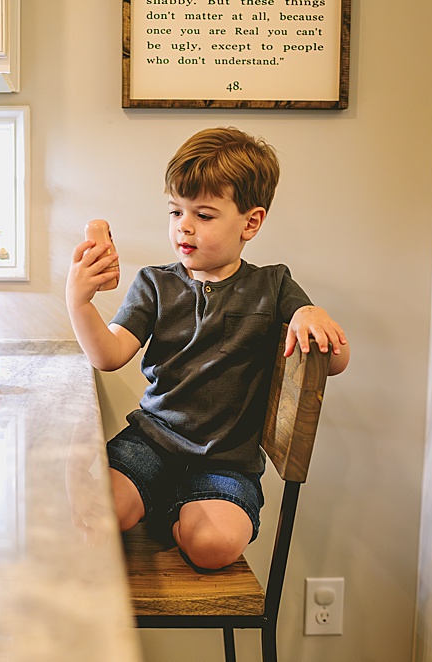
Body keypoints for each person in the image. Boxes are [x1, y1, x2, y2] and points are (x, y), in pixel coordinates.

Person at [65, 127, 350, 570]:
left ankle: (178, 510)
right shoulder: (155, 284)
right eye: (176, 211)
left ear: (250, 222)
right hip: (152, 442)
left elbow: (334, 363)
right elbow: (109, 355)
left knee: (214, 547)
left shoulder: (272, 286)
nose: (184, 226)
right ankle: (166, 501)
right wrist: (79, 302)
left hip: (227, 460)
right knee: (93, 511)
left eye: (204, 214)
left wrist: (310, 313)